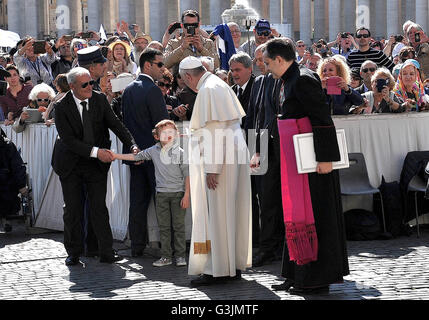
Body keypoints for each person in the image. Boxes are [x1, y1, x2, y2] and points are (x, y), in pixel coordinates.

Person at [259, 38, 349, 294]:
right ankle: (295, 274)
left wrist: (325, 159)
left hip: (314, 164)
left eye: (267, 62)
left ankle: (315, 280)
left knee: (315, 216)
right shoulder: (285, 80)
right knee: (294, 216)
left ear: (279, 59)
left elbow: (322, 119)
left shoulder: (304, 79)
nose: (265, 67)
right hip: (295, 162)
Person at [51, 67, 138, 266]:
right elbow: (69, 140)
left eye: (91, 82)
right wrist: (96, 152)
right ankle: (74, 252)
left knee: (99, 206)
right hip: (71, 163)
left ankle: (105, 251)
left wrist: (131, 144)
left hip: (96, 165)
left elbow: (116, 125)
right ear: (72, 87)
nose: (90, 87)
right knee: (73, 208)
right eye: (85, 84)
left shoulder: (99, 99)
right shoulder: (61, 107)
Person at [179, 56, 252, 287]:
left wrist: (212, 169)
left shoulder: (208, 90)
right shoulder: (218, 84)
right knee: (232, 212)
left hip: (220, 161)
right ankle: (231, 266)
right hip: (233, 155)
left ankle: (217, 269)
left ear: (188, 77)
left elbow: (215, 132)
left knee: (218, 214)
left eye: (184, 81)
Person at [110, 120, 190, 267]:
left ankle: (180, 256)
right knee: (164, 227)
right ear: (157, 137)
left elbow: (187, 175)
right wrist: (116, 156)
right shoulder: (153, 150)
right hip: (161, 195)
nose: (168, 136)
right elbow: (136, 157)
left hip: (178, 194)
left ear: (176, 134)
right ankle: (166, 256)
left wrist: (186, 195)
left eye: (171, 132)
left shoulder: (180, 153)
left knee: (178, 226)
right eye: (164, 133)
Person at [121, 49, 169, 258]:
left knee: (138, 201)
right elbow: (163, 127)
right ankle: (169, 247)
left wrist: (134, 149)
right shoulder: (153, 90)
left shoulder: (129, 89)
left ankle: (137, 246)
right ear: (148, 65)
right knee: (163, 201)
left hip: (135, 154)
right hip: (154, 155)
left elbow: (126, 124)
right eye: (160, 64)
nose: (163, 68)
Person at [0, 128, 27, 233]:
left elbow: (17, 167)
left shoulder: (8, 145)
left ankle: (5, 219)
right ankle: (6, 219)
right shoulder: (8, 144)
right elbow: (18, 167)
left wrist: (21, 185)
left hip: (6, 186)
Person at [229, 52, 256, 127]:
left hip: (254, 135)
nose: (234, 74)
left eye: (237, 70)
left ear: (250, 69)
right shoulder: (230, 91)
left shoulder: (259, 87)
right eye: (232, 70)